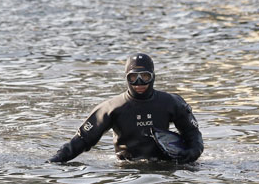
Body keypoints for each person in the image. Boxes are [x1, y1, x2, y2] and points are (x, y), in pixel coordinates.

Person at [48, 53, 203, 163]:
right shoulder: (111, 108)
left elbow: (192, 133)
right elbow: (82, 140)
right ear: (127, 78)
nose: (139, 83)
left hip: (165, 165)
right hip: (127, 168)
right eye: (133, 77)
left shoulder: (171, 102)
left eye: (145, 76)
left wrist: (193, 152)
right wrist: (56, 160)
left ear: (153, 76)